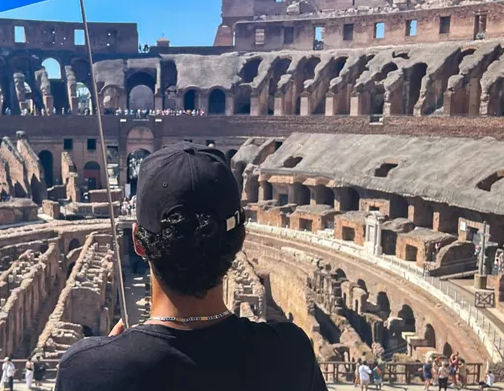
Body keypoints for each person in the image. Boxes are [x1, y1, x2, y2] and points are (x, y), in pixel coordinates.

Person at [54, 142, 328, 391]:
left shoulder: (84, 372)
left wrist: (104, 359)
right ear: (240, 240)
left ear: (138, 242)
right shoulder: (291, 357)